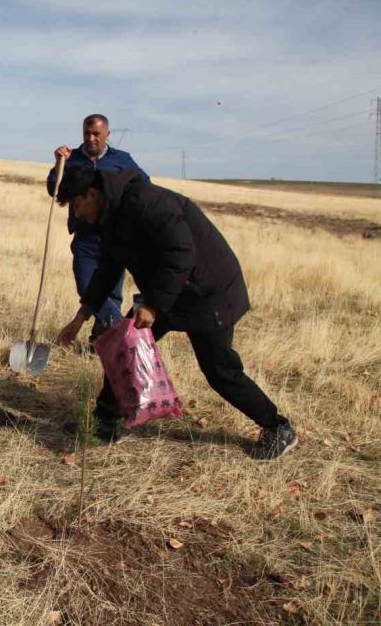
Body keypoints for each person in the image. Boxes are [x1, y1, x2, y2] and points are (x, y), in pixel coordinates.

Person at [52, 167, 297, 459]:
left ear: (92, 194)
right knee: (122, 347)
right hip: (167, 289)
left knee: (220, 370)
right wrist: (82, 315)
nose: (77, 214)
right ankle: (106, 422)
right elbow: (108, 268)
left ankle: (277, 426)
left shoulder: (146, 201)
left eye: (76, 205)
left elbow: (181, 252)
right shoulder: (111, 215)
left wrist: (153, 305)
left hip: (207, 290)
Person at [48, 114, 148, 342]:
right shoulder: (71, 159)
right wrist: (58, 164)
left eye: (96, 134)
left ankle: (102, 341)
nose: (91, 138)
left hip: (116, 235)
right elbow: (54, 190)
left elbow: (144, 186)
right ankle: (125, 335)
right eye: (87, 133)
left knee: (112, 292)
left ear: (107, 135)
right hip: (85, 236)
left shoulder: (122, 159)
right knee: (86, 286)